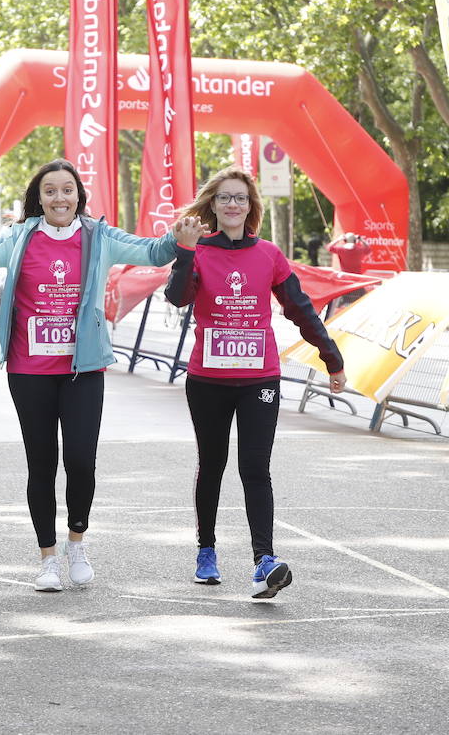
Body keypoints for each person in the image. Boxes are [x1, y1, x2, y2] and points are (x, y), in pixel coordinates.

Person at [0, 159, 202, 592]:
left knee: (81, 462)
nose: (59, 198)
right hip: (29, 369)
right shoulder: (19, 237)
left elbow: (152, 251)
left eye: (67, 190)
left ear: (79, 196)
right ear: (39, 197)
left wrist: (178, 240)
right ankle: (47, 558)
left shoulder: (99, 236)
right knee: (42, 463)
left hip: (83, 368)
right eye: (50, 191)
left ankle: (77, 544)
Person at [166, 168, 346, 598]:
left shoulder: (268, 254)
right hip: (207, 379)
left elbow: (299, 307)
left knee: (255, 468)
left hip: (259, 378)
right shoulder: (198, 249)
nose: (233, 205)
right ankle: (205, 551)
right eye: (225, 198)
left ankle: (264, 561)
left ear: (251, 206)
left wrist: (331, 357)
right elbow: (178, 296)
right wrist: (187, 252)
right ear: (213, 205)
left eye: (241, 198)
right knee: (212, 464)